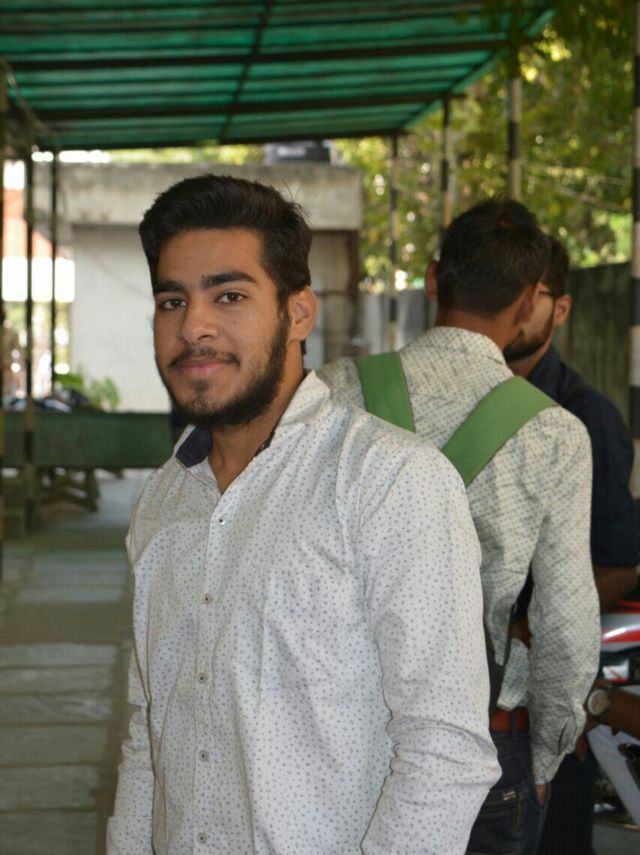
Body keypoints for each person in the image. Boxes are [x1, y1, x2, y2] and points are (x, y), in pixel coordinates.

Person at [107, 174, 499, 854]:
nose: (194, 326)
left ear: (298, 313)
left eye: (229, 296)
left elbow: (445, 750)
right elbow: (150, 730)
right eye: (173, 300)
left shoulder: (388, 481)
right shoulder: (163, 501)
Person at [319, 198, 601, 855]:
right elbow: (565, 626)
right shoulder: (554, 434)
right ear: (529, 302)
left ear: (431, 277)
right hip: (481, 739)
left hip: (337, 725)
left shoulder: (334, 391)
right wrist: (546, 755)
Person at [505, 235, 639, 853]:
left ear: (559, 309)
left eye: (530, 296)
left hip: (546, 699)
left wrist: (522, 633)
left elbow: (617, 567)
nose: (513, 308)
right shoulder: (454, 405)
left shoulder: (586, 418)